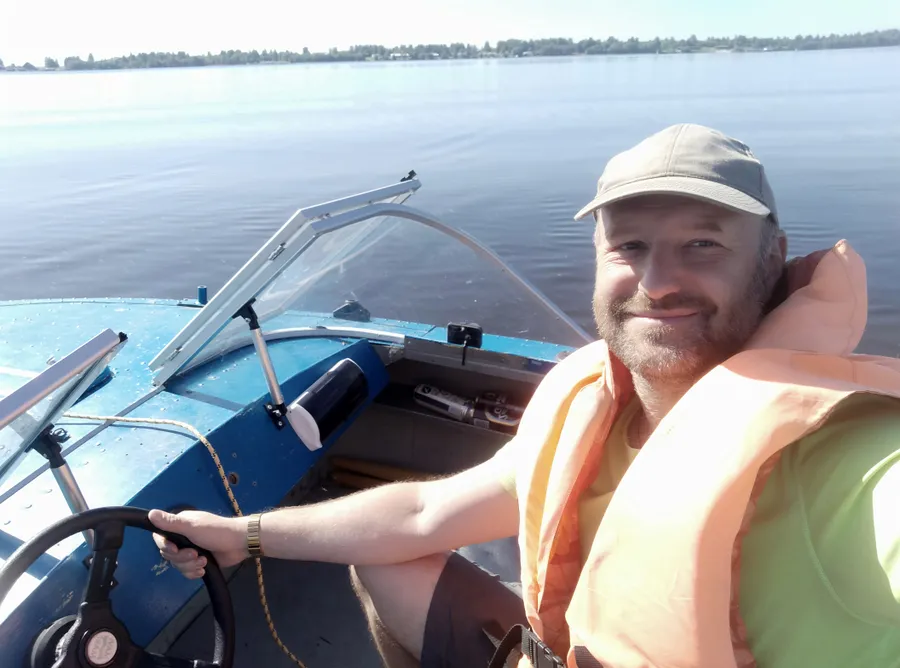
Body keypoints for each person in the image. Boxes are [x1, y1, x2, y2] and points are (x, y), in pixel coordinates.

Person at [150, 124, 900, 668]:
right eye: (629, 246)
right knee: (382, 559)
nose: (658, 281)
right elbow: (423, 515)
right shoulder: (590, 402)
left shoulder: (844, 452)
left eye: (703, 244)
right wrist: (242, 534)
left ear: (773, 257)